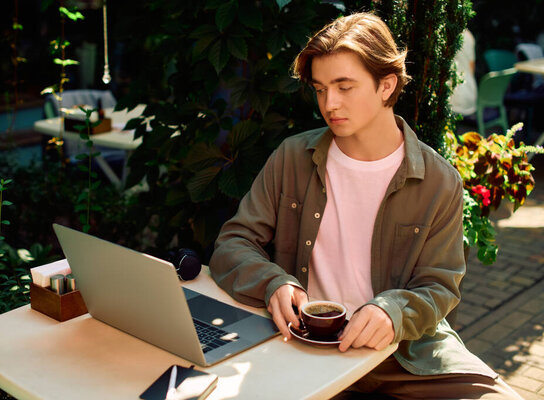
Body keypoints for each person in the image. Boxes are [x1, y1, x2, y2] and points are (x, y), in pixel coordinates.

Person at [209, 13, 523, 399]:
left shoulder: (439, 181)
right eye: (321, 88)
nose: (330, 103)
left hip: (406, 356)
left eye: (345, 87)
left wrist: (393, 310)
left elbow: (439, 287)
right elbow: (233, 243)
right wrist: (274, 283)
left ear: (386, 85)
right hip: (304, 345)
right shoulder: (292, 157)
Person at [449, 29, 477, 117]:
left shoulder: (448, 35)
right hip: (470, 93)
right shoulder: (469, 36)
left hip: (452, 96)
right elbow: (472, 67)